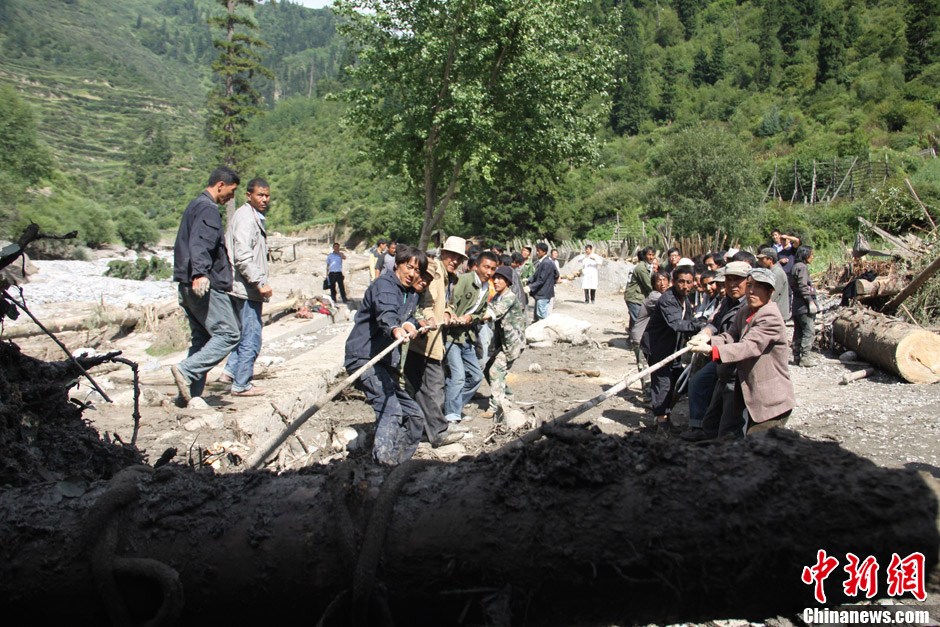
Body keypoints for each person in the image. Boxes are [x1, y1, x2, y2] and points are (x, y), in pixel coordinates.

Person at [344, 245, 426, 466]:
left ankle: (397, 463)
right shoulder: (385, 285)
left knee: (414, 416)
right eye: (409, 267)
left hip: (383, 361)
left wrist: (413, 324)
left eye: (417, 271)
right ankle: (382, 466)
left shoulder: (409, 292)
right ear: (398, 264)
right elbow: (387, 314)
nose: (412, 274)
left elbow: (405, 316)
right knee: (390, 409)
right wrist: (395, 329)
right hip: (364, 358)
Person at [688, 268, 795, 437]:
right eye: (750, 285)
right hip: (747, 388)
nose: (752, 291)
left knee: (759, 447)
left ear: (770, 292)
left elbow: (748, 346)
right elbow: (730, 335)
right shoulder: (745, 311)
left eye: (759, 287)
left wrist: (712, 350)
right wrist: (708, 340)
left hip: (770, 399)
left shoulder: (770, 317)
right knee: (718, 427)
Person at [170, 167, 242, 406]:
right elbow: (201, 242)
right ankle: (186, 371)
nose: (230, 198)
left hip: (186, 284)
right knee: (229, 333)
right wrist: (200, 273)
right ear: (220, 185)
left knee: (201, 339)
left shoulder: (194, 205)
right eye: (230, 192)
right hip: (203, 285)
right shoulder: (208, 209)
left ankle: (187, 397)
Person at [404, 236, 468, 448]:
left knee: (421, 386)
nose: (455, 261)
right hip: (424, 339)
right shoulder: (434, 269)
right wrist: (429, 317)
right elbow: (424, 299)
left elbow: (445, 303)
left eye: (459, 258)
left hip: (431, 338)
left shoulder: (448, 276)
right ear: (443, 253)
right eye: (452, 256)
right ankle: (438, 432)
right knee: (434, 385)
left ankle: (423, 429)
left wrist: (448, 313)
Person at [681, 261, 750, 441]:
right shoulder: (728, 300)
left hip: (738, 362)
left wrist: (711, 345)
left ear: (748, 282)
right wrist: (705, 333)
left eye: (738, 280)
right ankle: (699, 428)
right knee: (697, 382)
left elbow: (743, 342)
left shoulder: (751, 305)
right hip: (720, 355)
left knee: (731, 410)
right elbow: (716, 322)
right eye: (728, 280)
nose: (732, 285)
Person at [220, 177, 272, 397]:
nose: (264, 199)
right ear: (249, 195)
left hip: (241, 286)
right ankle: (242, 384)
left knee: (242, 333)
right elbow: (243, 257)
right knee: (252, 336)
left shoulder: (249, 216)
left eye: (267, 195)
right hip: (245, 288)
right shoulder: (246, 219)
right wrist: (259, 282)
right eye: (260, 195)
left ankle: (230, 372)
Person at [641, 266, 704, 433]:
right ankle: (661, 424)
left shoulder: (684, 298)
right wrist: (702, 326)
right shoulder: (668, 300)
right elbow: (677, 324)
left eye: (688, 282)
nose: (685, 286)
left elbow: (688, 319)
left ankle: (664, 416)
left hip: (673, 347)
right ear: (674, 282)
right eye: (681, 282)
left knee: (677, 382)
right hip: (658, 347)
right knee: (663, 382)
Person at [444, 250, 498, 423]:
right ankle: (450, 416)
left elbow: (480, 312)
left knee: (476, 376)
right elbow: (449, 302)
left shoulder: (486, 287)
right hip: (451, 337)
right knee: (458, 376)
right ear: (477, 266)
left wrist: (470, 318)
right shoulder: (464, 280)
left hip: (467, 338)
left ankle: (454, 408)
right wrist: (452, 315)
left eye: (492, 269)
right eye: (486, 267)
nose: (489, 272)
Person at [481, 266, 526, 421]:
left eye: (501, 279)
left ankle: (495, 407)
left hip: (513, 343)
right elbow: (488, 308)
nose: (497, 281)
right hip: (503, 342)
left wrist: (474, 317)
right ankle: (507, 396)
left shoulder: (509, 297)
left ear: (507, 282)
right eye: (496, 278)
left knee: (495, 371)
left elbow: (494, 312)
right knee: (488, 370)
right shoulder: (497, 297)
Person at [789, 245, 819, 367]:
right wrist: (810, 301)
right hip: (803, 305)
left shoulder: (794, 267)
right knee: (809, 330)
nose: (812, 257)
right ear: (806, 255)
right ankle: (805, 357)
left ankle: (796, 356)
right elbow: (803, 286)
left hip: (796, 304)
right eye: (811, 255)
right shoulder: (802, 268)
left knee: (798, 331)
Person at [624, 247, 656, 340]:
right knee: (638, 321)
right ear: (645, 256)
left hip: (637, 297)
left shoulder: (646, 267)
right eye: (649, 255)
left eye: (653, 255)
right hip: (634, 297)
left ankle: (631, 340)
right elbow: (648, 285)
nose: (651, 257)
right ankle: (636, 342)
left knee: (635, 320)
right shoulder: (641, 268)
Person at [527, 243, 558, 323]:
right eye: (537, 251)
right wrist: (528, 280)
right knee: (537, 316)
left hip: (543, 293)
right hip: (542, 292)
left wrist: (530, 287)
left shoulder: (546, 263)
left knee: (541, 317)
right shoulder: (543, 262)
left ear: (544, 252)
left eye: (539, 251)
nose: (537, 253)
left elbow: (541, 280)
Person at [756, 247, 790, 321]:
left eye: (762, 259)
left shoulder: (777, 273)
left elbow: (771, 295)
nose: (760, 262)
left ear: (770, 260)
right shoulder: (772, 271)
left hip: (777, 314)